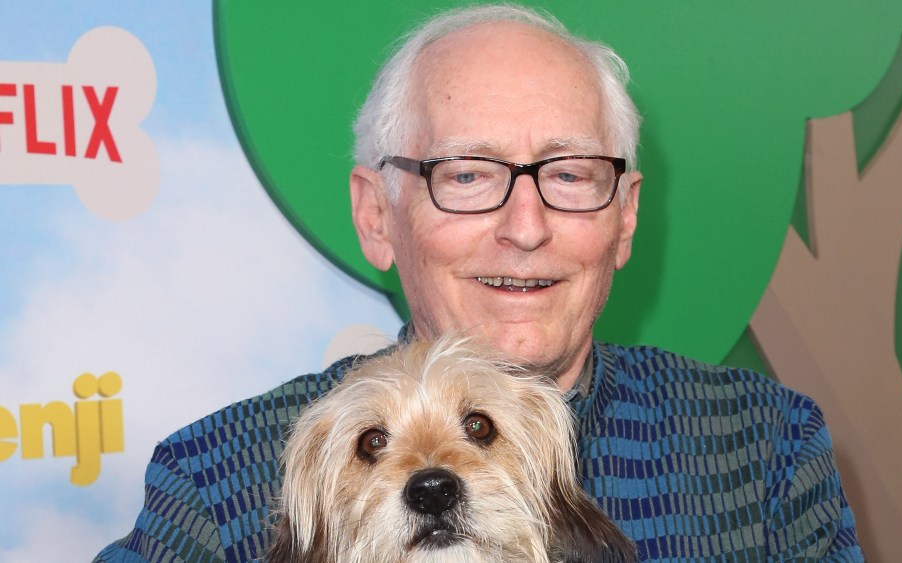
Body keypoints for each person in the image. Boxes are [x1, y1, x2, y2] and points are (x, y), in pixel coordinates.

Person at [95, 4, 862, 562]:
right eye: (467, 174)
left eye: (569, 173)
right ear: (376, 215)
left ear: (624, 218)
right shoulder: (215, 479)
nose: (525, 226)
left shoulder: (765, 451)